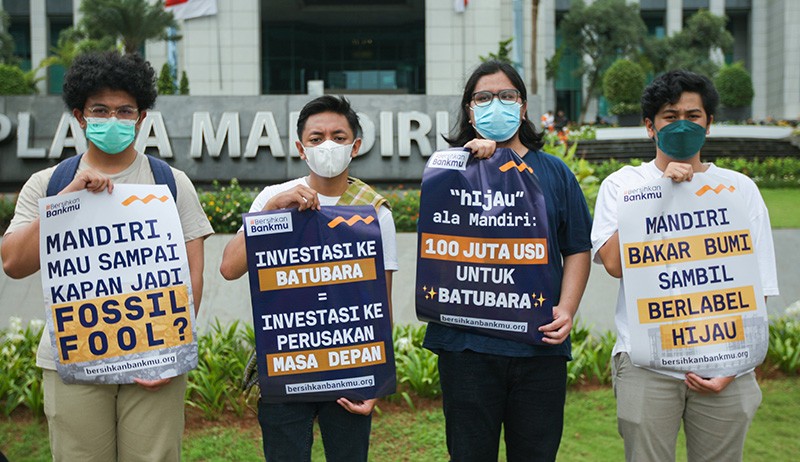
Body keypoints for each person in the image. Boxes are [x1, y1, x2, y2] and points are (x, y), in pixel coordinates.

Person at [0, 51, 213, 461]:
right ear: (80, 116)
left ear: (141, 116)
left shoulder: (172, 182)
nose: (113, 120)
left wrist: (169, 354)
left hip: (154, 356)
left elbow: (192, 274)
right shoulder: (47, 183)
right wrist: (67, 200)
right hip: (74, 357)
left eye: (124, 111)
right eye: (101, 110)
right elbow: (13, 262)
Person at [591, 69, 778, 461]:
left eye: (693, 116)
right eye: (669, 116)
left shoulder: (740, 189)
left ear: (709, 124)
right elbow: (613, 262)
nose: (681, 124)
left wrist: (737, 363)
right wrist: (659, 191)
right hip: (647, 365)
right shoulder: (622, 185)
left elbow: (757, 284)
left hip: (725, 368)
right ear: (649, 127)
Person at [422, 60, 592, 462]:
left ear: (524, 106)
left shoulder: (555, 172)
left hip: (539, 348)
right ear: (469, 110)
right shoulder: (450, 169)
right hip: (467, 349)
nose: (495, 103)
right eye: (483, 97)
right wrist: (471, 159)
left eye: (506, 95)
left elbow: (577, 247)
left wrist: (567, 309)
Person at [219, 95, 398, 462]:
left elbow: (382, 303)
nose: (327, 145)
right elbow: (229, 268)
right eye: (316, 139)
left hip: (349, 371)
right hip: (287, 366)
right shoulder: (274, 198)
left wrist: (377, 380)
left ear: (356, 146)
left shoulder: (373, 212)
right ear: (302, 148)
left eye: (338, 136)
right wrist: (269, 213)